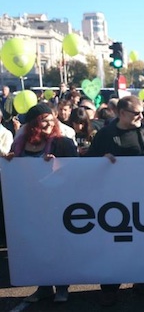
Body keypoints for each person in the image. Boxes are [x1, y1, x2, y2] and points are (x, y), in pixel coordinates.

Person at [86, 95, 144, 306]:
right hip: (113, 199)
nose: (141, 117)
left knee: (141, 239)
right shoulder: (106, 135)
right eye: (136, 113)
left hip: (142, 196)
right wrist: (101, 161)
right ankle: (110, 286)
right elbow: (88, 162)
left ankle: (140, 279)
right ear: (121, 113)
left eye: (142, 113)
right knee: (114, 242)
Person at [7, 103, 78, 303]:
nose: (47, 123)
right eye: (42, 120)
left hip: (57, 204)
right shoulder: (20, 143)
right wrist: (11, 161)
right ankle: (44, 286)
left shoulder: (62, 142)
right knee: (37, 244)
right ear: (31, 124)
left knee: (59, 245)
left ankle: (63, 287)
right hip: (30, 203)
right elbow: (17, 169)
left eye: (50, 118)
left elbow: (76, 170)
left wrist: (57, 165)